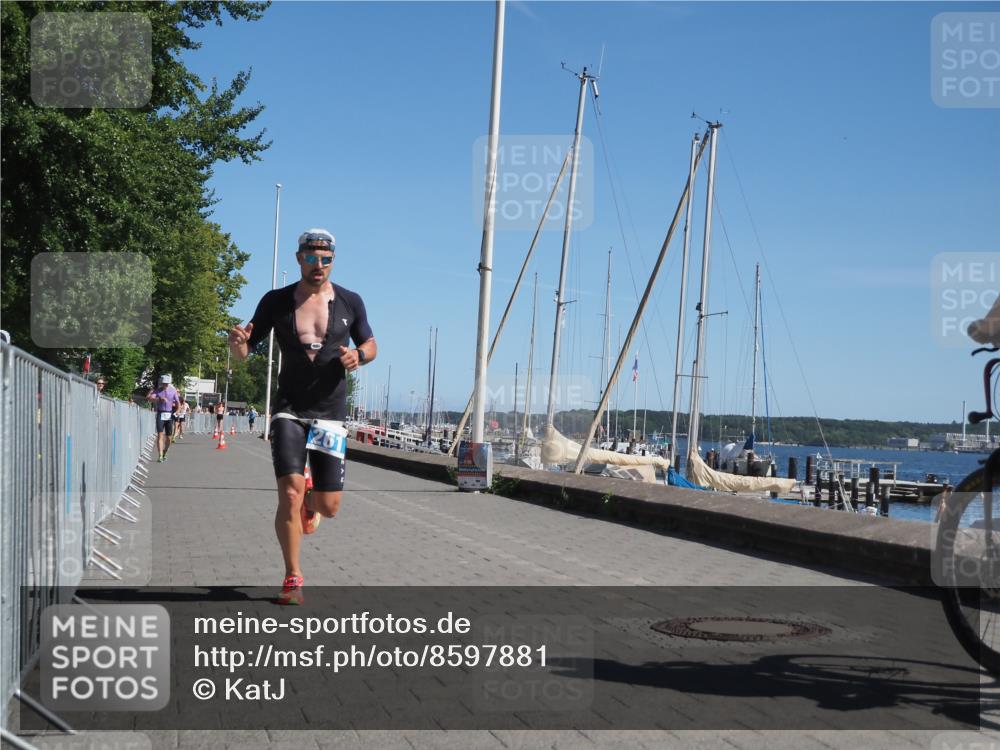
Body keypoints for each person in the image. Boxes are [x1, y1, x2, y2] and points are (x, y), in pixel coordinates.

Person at [228, 228, 376, 605]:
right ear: (299, 259)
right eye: (311, 258)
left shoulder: (351, 301)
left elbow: (370, 343)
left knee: (329, 507)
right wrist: (238, 346)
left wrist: (359, 356)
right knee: (289, 492)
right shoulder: (276, 301)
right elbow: (247, 348)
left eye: (325, 259)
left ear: (333, 261)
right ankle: (292, 576)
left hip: (329, 414)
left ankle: (312, 502)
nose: (318, 265)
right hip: (289, 410)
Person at [148, 374, 181, 462]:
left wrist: (178, 410)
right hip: (160, 413)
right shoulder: (158, 391)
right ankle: (160, 455)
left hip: (169, 414)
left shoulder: (173, 391)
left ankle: (165, 451)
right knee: (160, 435)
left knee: (169, 437)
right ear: (161, 383)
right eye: (163, 383)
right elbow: (150, 398)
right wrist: (159, 399)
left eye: (166, 384)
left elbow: (178, 403)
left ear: (169, 383)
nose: (165, 385)